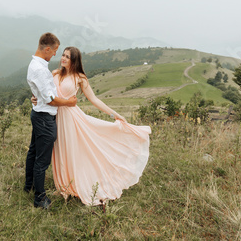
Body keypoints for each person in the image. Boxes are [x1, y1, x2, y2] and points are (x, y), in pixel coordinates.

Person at [33, 46, 151, 205]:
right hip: (54, 117)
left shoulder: (80, 78)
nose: (63, 58)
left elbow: (94, 100)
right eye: (63, 55)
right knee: (59, 151)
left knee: (72, 151)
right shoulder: (55, 73)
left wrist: (114, 114)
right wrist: (35, 99)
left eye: (68, 56)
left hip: (71, 119)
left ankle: (74, 184)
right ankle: (63, 186)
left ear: (74, 60)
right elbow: (44, 92)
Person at [25, 33, 77, 209]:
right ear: (47, 49)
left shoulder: (37, 65)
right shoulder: (40, 69)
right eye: (55, 51)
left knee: (33, 152)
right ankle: (39, 198)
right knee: (42, 160)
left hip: (38, 114)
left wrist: (36, 98)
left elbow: (41, 93)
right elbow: (50, 99)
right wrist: (70, 102)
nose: (56, 54)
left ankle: (29, 186)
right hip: (44, 118)